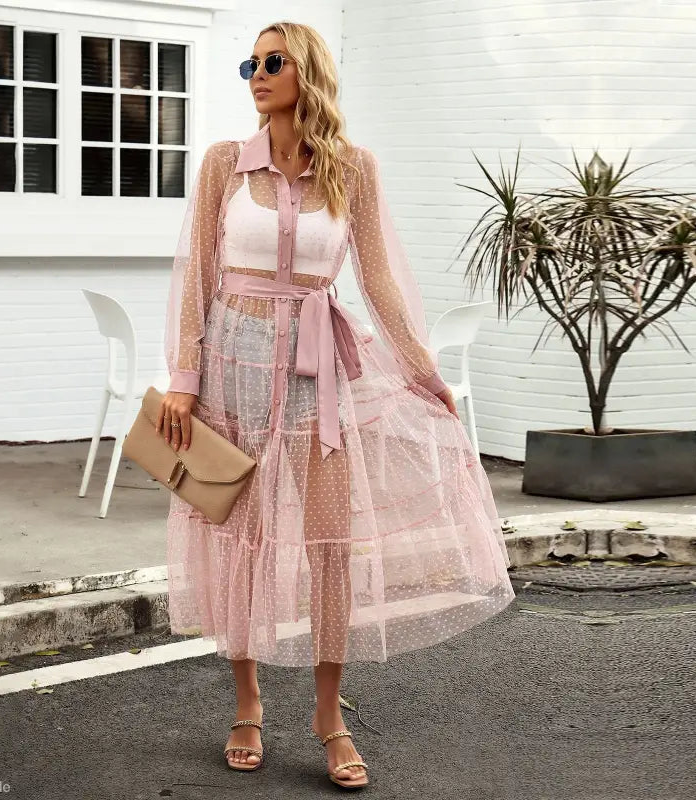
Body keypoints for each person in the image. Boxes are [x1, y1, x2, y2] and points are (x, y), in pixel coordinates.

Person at [156, 20, 515, 790]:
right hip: (231, 367)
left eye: (272, 61)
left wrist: (424, 371)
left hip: (318, 372)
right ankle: (247, 702)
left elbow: (379, 281)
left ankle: (329, 716)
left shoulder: (354, 168)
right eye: (249, 62)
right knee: (238, 537)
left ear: (306, 72)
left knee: (327, 543)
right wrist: (183, 378)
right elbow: (198, 276)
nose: (255, 73)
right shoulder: (224, 163)